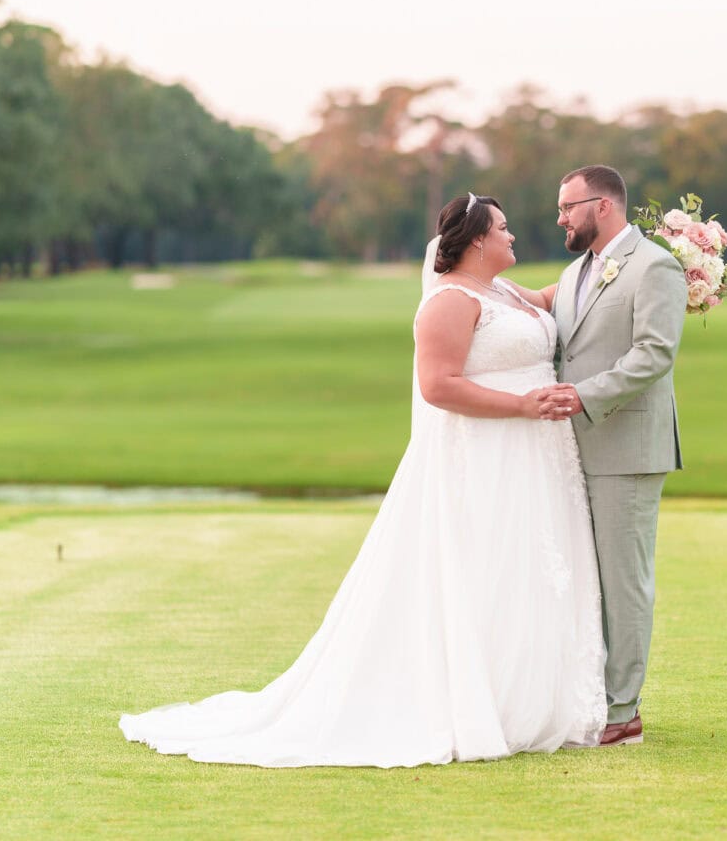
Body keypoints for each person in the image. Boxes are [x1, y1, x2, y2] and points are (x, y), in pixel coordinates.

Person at [119, 194, 605, 767]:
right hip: (491, 452)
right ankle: (482, 703)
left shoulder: (501, 292)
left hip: (536, 458)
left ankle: (532, 698)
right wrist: (522, 405)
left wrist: (631, 262)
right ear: (477, 240)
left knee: (531, 568)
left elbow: (559, 298)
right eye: (504, 228)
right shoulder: (448, 302)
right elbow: (439, 386)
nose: (513, 235)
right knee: (489, 566)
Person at [535, 165, 686, 747]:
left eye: (568, 206)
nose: (560, 218)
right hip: (573, 451)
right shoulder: (576, 270)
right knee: (583, 581)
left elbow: (654, 355)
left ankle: (623, 713)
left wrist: (580, 396)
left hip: (628, 448)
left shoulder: (656, 266)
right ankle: (592, 699)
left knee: (623, 584)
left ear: (603, 206)